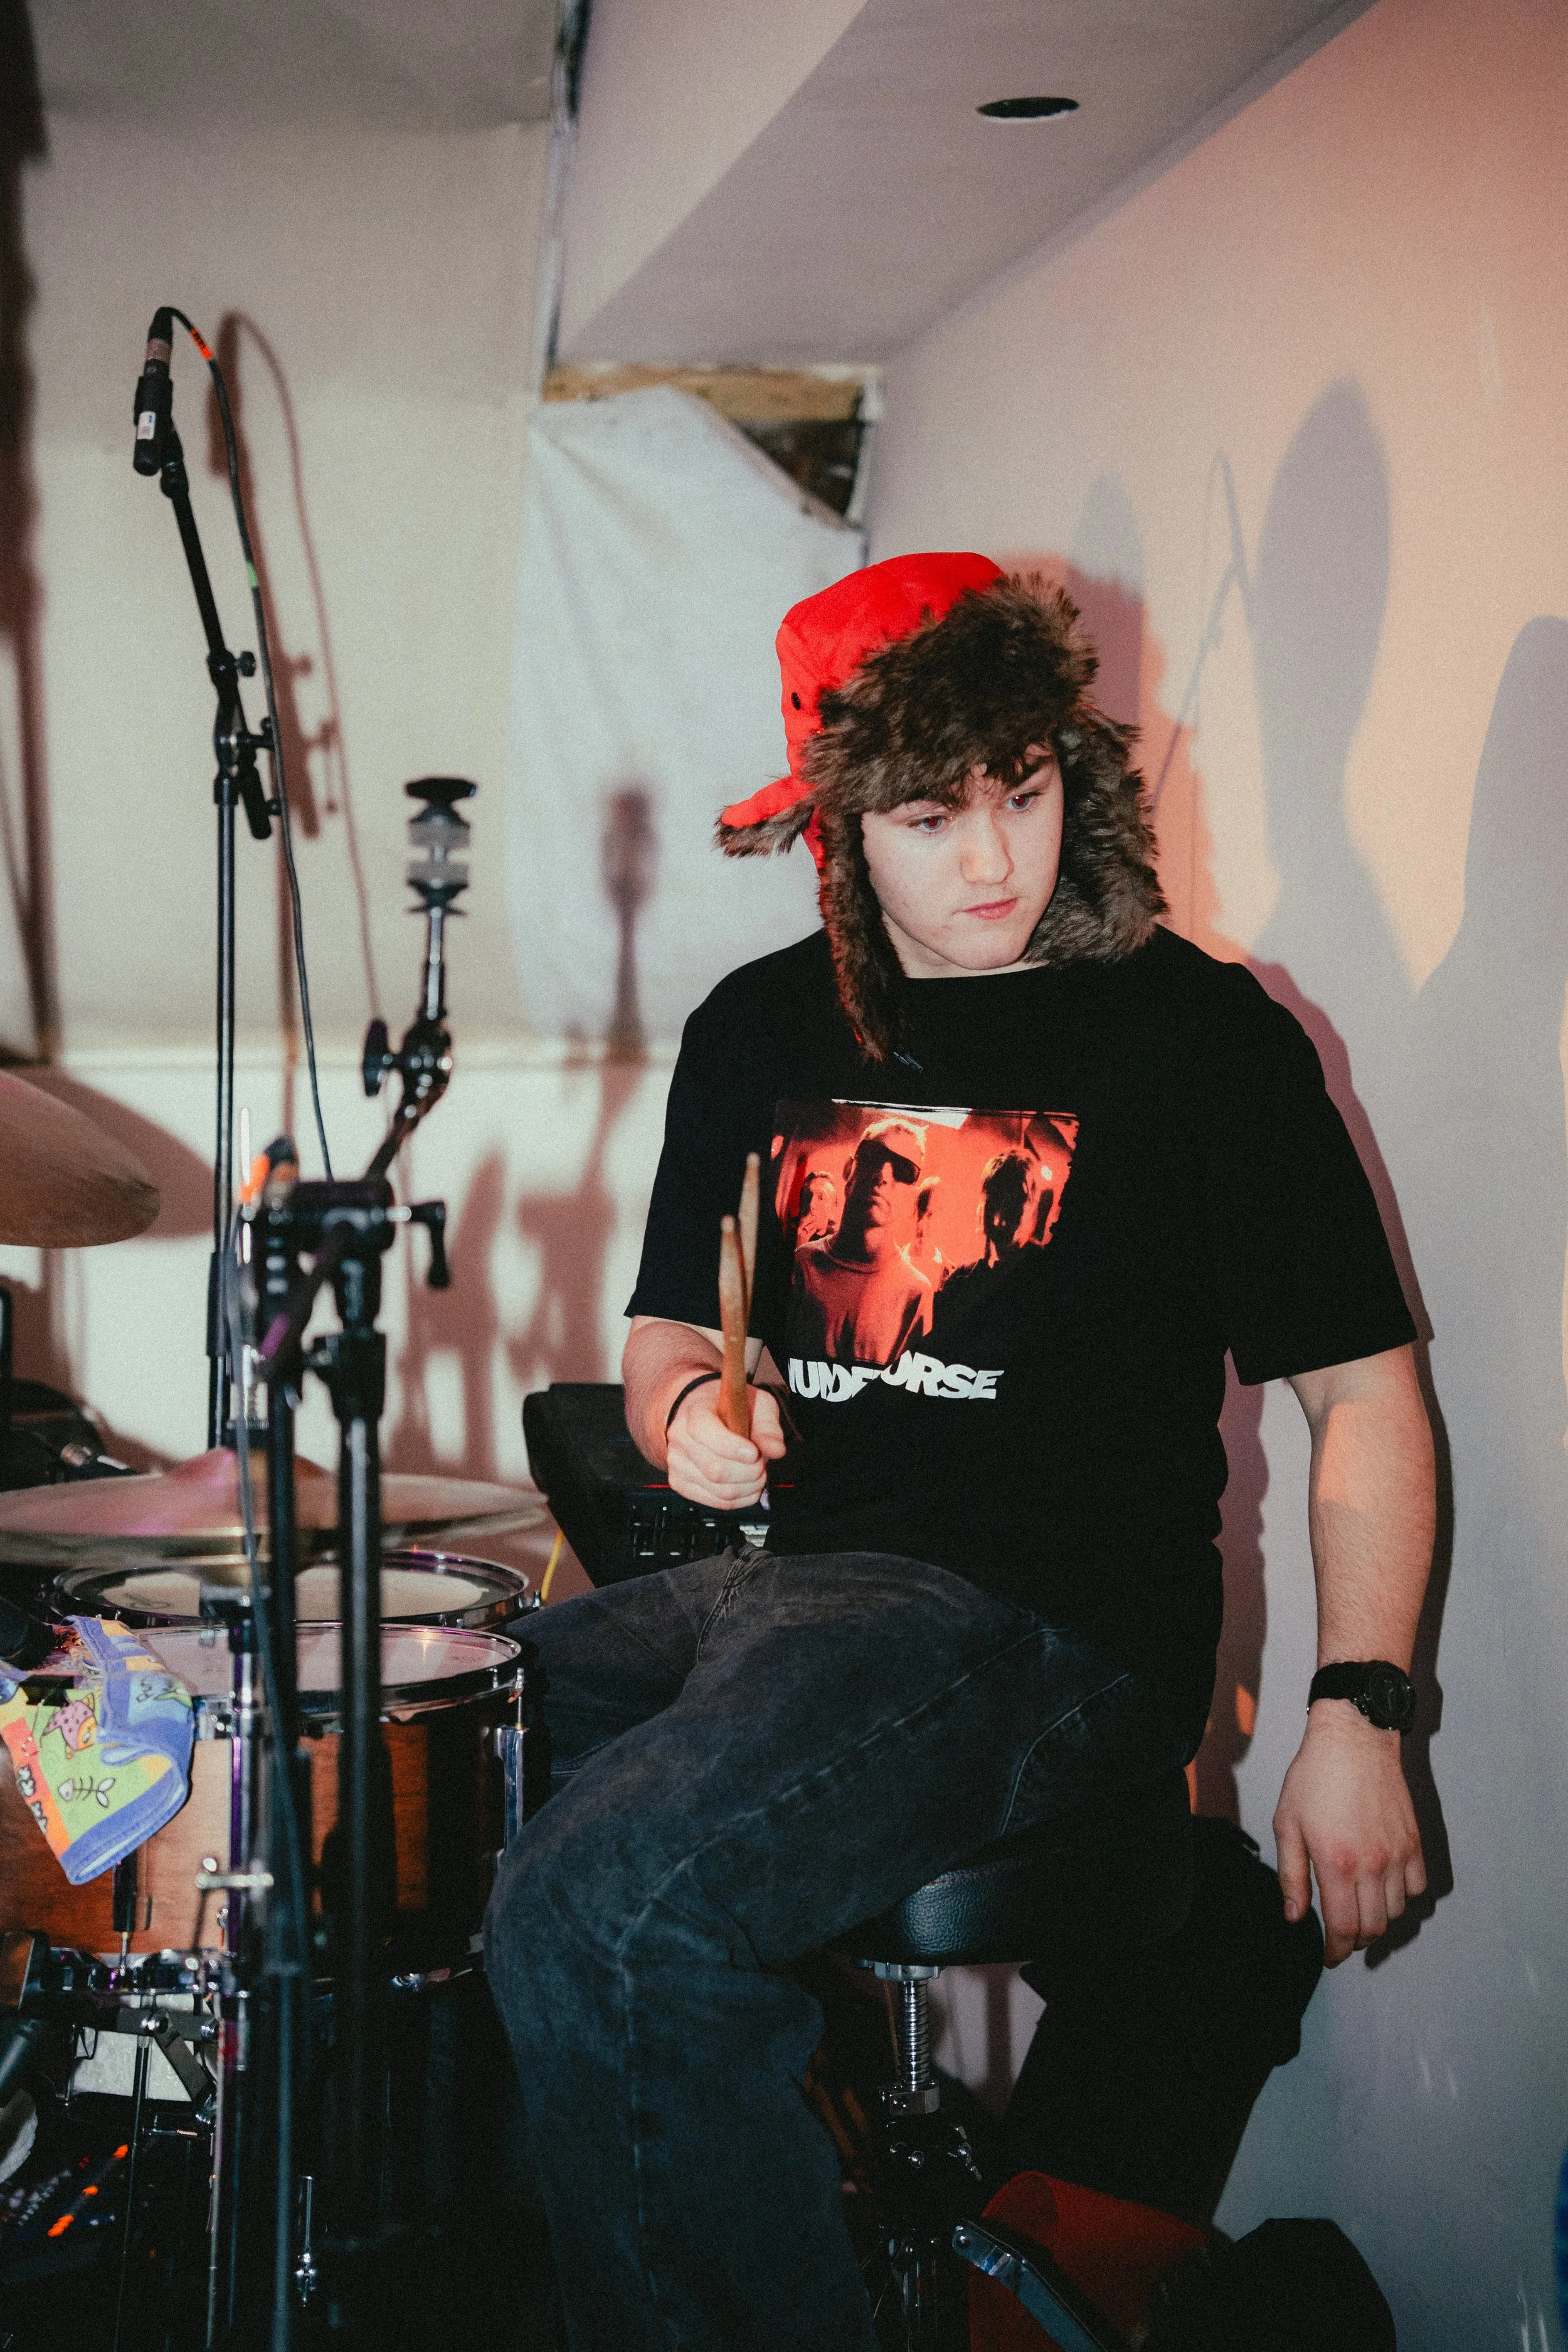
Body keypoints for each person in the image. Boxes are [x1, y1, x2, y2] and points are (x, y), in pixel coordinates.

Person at [485, 553, 1433, 2352]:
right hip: (786, 1600)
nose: (996, 855)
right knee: (431, 1767)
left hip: (1046, 1622)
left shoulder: (1196, 1036)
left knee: (606, 1910)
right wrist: (690, 1416)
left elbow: (1365, 1398)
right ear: (838, 824)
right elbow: (666, 1333)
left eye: (1025, 787)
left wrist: (1357, 1706)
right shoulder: (758, 1025)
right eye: (932, 814)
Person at [790, 1115, 935, 1366]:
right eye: (874, 1157)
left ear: (911, 1195)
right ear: (850, 1169)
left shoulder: (916, 1294)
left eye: (904, 1170)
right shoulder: (802, 1264)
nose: (884, 1175)